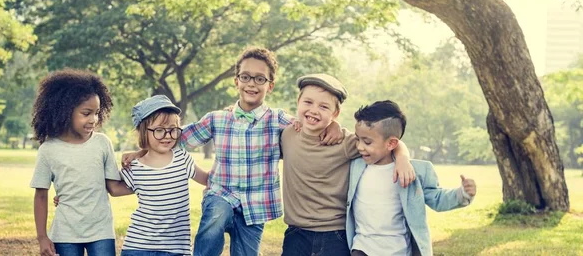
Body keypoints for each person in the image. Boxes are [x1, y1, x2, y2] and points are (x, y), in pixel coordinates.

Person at [123, 47, 344, 256]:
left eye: (260, 79)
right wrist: (140, 152)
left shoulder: (278, 120)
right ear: (236, 81)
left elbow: (309, 125)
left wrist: (333, 125)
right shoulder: (216, 119)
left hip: (255, 205)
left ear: (270, 85)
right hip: (221, 194)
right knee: (216, 217)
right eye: (246, 77)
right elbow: (174, 137)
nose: (252, 84)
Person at [280, 74, 415, 256]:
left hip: (334, 233)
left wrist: (402, 158)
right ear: (298, 101)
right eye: (308, 102)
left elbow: (386, 143)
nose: (314, 110)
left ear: (335, 114)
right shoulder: (287, 135)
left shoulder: (344, 141)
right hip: (296, 233)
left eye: (324, 106)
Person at [346, 100, 477, 256]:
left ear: (391, 143)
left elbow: (437, 198)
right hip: (362, 249)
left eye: (367, 142)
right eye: (358, 139)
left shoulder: (416, 171)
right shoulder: (355, 165)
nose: (360, 147)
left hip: (398, 251)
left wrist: (463, 194)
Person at [30, 69, 121, 256]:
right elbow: (40, 196)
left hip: (101, 231)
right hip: (65, 233)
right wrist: (42, 237)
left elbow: (114, 187)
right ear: (64, 111)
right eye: (86, 113)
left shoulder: (102, 143)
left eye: (96, 113)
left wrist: (146, 175)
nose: (93, 119)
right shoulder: (49, 150)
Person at [109, 95, 209, 256]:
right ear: (143, 132)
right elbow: (114, 189)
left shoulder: (182, 158)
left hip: (176, 249)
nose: (168, 135)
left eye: (172, 129)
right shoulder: (134, 166)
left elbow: (207, 179)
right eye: (159, 130)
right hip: (138, 247)